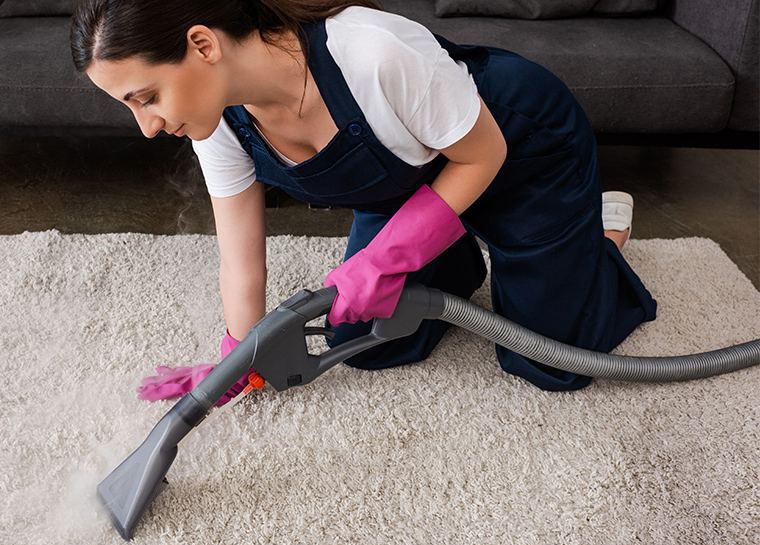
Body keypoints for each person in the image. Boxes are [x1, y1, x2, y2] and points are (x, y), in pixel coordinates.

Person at [70, 0, 657, 400]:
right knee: (368, 347)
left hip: (518, 154)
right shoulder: (212, 121)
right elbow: (241, 260)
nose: (146, 126)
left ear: (201, 44)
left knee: (550, 362)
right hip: (407, 185)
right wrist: (240, 362)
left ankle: (597, 232)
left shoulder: (369, 51)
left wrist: (384, 260)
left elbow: (481, 156)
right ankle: (454, 259)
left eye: (145, 97)